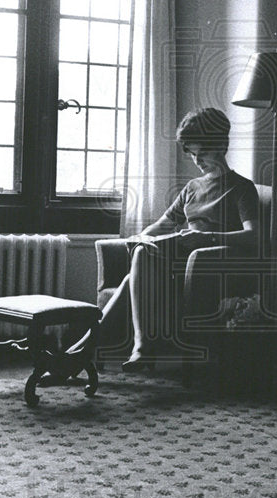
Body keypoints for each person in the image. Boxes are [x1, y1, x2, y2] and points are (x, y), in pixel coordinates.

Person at [102, 107, 259, 371]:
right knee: (140, 256)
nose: (198, 161)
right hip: (177, 264)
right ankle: (91, 349)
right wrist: (139, 237)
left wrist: (206, 237)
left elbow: (254, 236)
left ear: (221, 145)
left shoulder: (242, 188)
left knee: (137, 267)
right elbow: (164, 224)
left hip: (207, 268)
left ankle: (126, 346)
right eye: (193, 154)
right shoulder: (192, 188)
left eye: (203, 153)